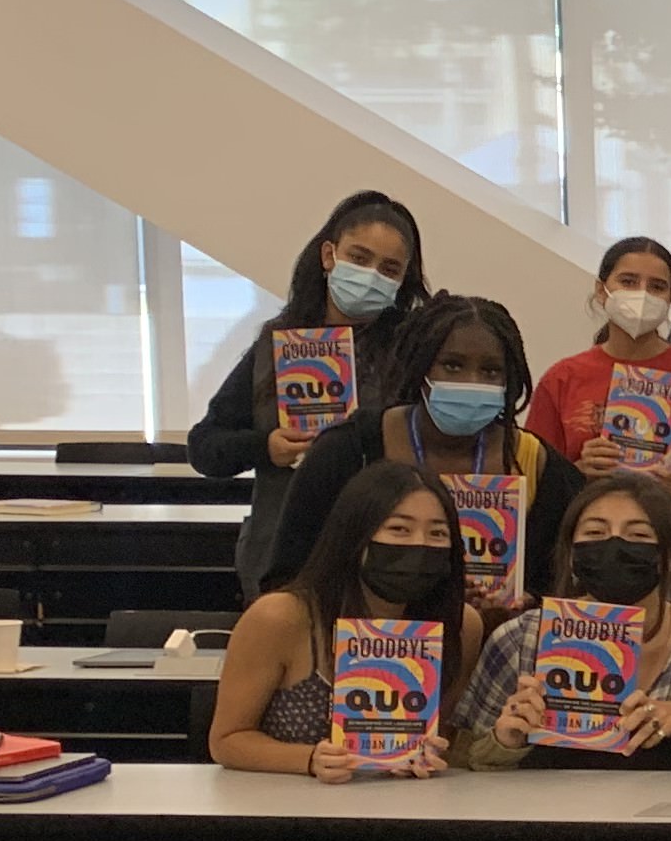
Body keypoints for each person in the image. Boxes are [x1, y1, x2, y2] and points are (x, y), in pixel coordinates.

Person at [265, 290, 575, 614]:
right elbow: (287, 575)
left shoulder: (535, 462)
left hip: (492, 650)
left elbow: (570, 584)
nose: (472, 381)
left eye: (490, 371)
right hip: (358, 649)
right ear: (420, 367)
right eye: (452, 366)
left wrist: (529, 605)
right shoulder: (347, 450)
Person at [187, 191, 428, 597]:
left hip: (380, 564)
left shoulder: (414, 351)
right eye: (359, 258)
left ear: (404, 281)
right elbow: (205, 446)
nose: (371, 275)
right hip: (282, 559)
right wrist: (266, 447)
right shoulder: (276, 343)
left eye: (389, 269)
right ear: (329, 256)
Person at [206, 461, 473, 780]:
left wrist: (428, 753)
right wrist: (310, 760)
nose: (419, 543)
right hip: (289, 810)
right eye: (399, 528)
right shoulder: (280, 617)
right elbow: (226, 741)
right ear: (356, 535)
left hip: (404, 808)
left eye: (438, 533)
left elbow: (442, 731)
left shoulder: (461, 624)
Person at [456, 481, 671, 768]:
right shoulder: (521, 638)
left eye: (638, 534)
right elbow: (461, 758)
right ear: (571, 553)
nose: (615, 545)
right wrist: (505, 741)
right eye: (595, 533)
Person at [525, 235, 671, 586]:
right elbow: (535, 482)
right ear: (602, 290)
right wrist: (577, 473)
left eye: (657, 286)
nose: (642, 294)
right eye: (628, 282)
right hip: (587, 561)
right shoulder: (563, 378)